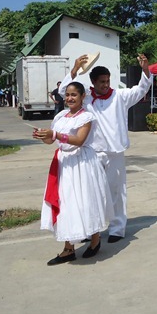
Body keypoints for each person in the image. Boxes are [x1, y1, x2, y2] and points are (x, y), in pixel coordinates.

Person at [58, 54, 152, 243]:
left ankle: (117, 228)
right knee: (91, 192)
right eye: (102, 82)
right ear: (93, 82)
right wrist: (75, 70)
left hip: (115, 152)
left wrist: (145, 69)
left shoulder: (120, 96)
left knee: (116, 191)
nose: (106, 85)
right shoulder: (86, 98)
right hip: (92, 153)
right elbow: (64, 92)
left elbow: (142, 88)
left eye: (108, 81)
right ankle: (91, 229)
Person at [33, 81, 113, 265]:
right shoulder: (61, 116)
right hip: (63, 163)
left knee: (86, 202)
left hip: (81, 163)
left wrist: (56, 135)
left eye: (74, 95)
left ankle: (94, 240)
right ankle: (68, 248)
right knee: (65, 203)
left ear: (83, 96)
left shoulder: (87, 117)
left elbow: (79, 140)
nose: (69, 98)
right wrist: (43, 136)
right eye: (67, 95)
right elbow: (52, 141)